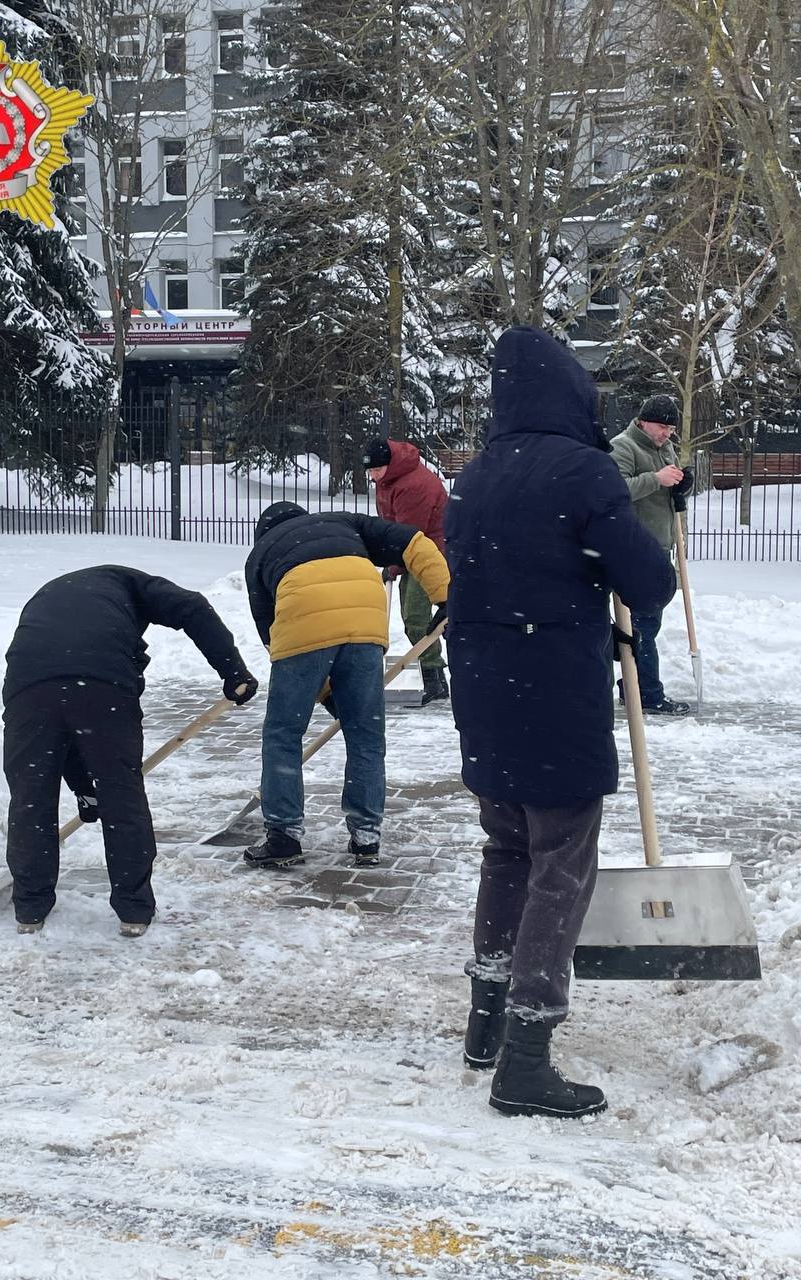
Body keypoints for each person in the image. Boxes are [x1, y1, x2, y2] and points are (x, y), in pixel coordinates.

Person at [445, 327, 676, 1119]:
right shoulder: (582, 469)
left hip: (485, 696)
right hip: (553, 698)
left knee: (507, 850)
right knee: (561, 864)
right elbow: (646, 581)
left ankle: (485, 1023)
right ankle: (527, 1057)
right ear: (572, 394)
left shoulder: (474, 475)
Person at [2, 565, 257, 937]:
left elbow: (65, 721)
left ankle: (30, 908)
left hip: (28, 688)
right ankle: (133, 910)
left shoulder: (55, 594)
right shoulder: (137, 586)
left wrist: (86, 791)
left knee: (31, 796)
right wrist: (234, 672)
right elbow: (194, 607)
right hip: (102, 684)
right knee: (122, 796)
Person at [244, 503, 449, 869]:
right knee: (365, 736)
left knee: (283, 735)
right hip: (364, 616)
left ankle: (283, 836)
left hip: (301, 615)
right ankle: (366, 836)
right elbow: (415, 542)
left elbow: (274, 636)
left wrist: (320, 691)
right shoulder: (344, 522)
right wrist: (447, 597)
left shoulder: (261, 553)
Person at [609, 395, 694, 716]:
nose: (666, 434)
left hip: (659, 544)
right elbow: (614, 490)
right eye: (661, 427)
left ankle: (632, 685)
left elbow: (665, 490)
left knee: (648, 623)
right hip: (634, 547)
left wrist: (680, 485)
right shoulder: (623, 447)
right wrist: (656, 479)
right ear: (643, 421)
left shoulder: (665, 448)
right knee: (642, 624)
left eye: (671, 429)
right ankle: (647, 693)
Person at [362, 436, 450, 705]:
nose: (373, 476)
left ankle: (435, 680)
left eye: (377, 470)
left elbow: (409, 534)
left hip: (432, 553)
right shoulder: (389, 479)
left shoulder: (413, 486)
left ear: (390, 464)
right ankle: (434, 678)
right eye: (370, 471)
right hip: (412, 553)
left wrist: (393, 563)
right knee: (411, 617)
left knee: (416, 617)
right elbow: (392, 525)